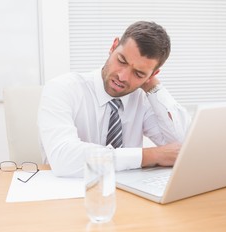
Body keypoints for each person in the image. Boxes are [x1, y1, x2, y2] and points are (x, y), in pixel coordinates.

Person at [38, 21, 191, 177]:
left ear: (152, 75)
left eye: (138, 73)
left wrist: (154, 88)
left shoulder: (143, 98)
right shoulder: (62, 89)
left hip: (130, 194)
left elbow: (183, 149)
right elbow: (64, 160)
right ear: (113, 46)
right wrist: (151, 155)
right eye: (121, 61)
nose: (122, 76)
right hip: (69, 194)